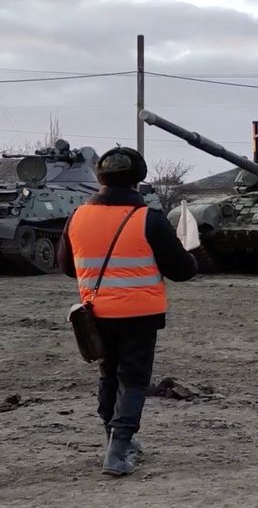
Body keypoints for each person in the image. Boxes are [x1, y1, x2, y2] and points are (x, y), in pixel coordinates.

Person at [57, 146, 198, 477]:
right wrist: (192, 255)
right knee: (133, 381)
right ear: (138, 181)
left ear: (100, 178)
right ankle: (118, 452)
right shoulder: (149, 219)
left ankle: (114, 441)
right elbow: (182, 270)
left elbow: (66, 268)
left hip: (96, 314)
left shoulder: (77, 217)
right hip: (139, 317)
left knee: (109, 375)